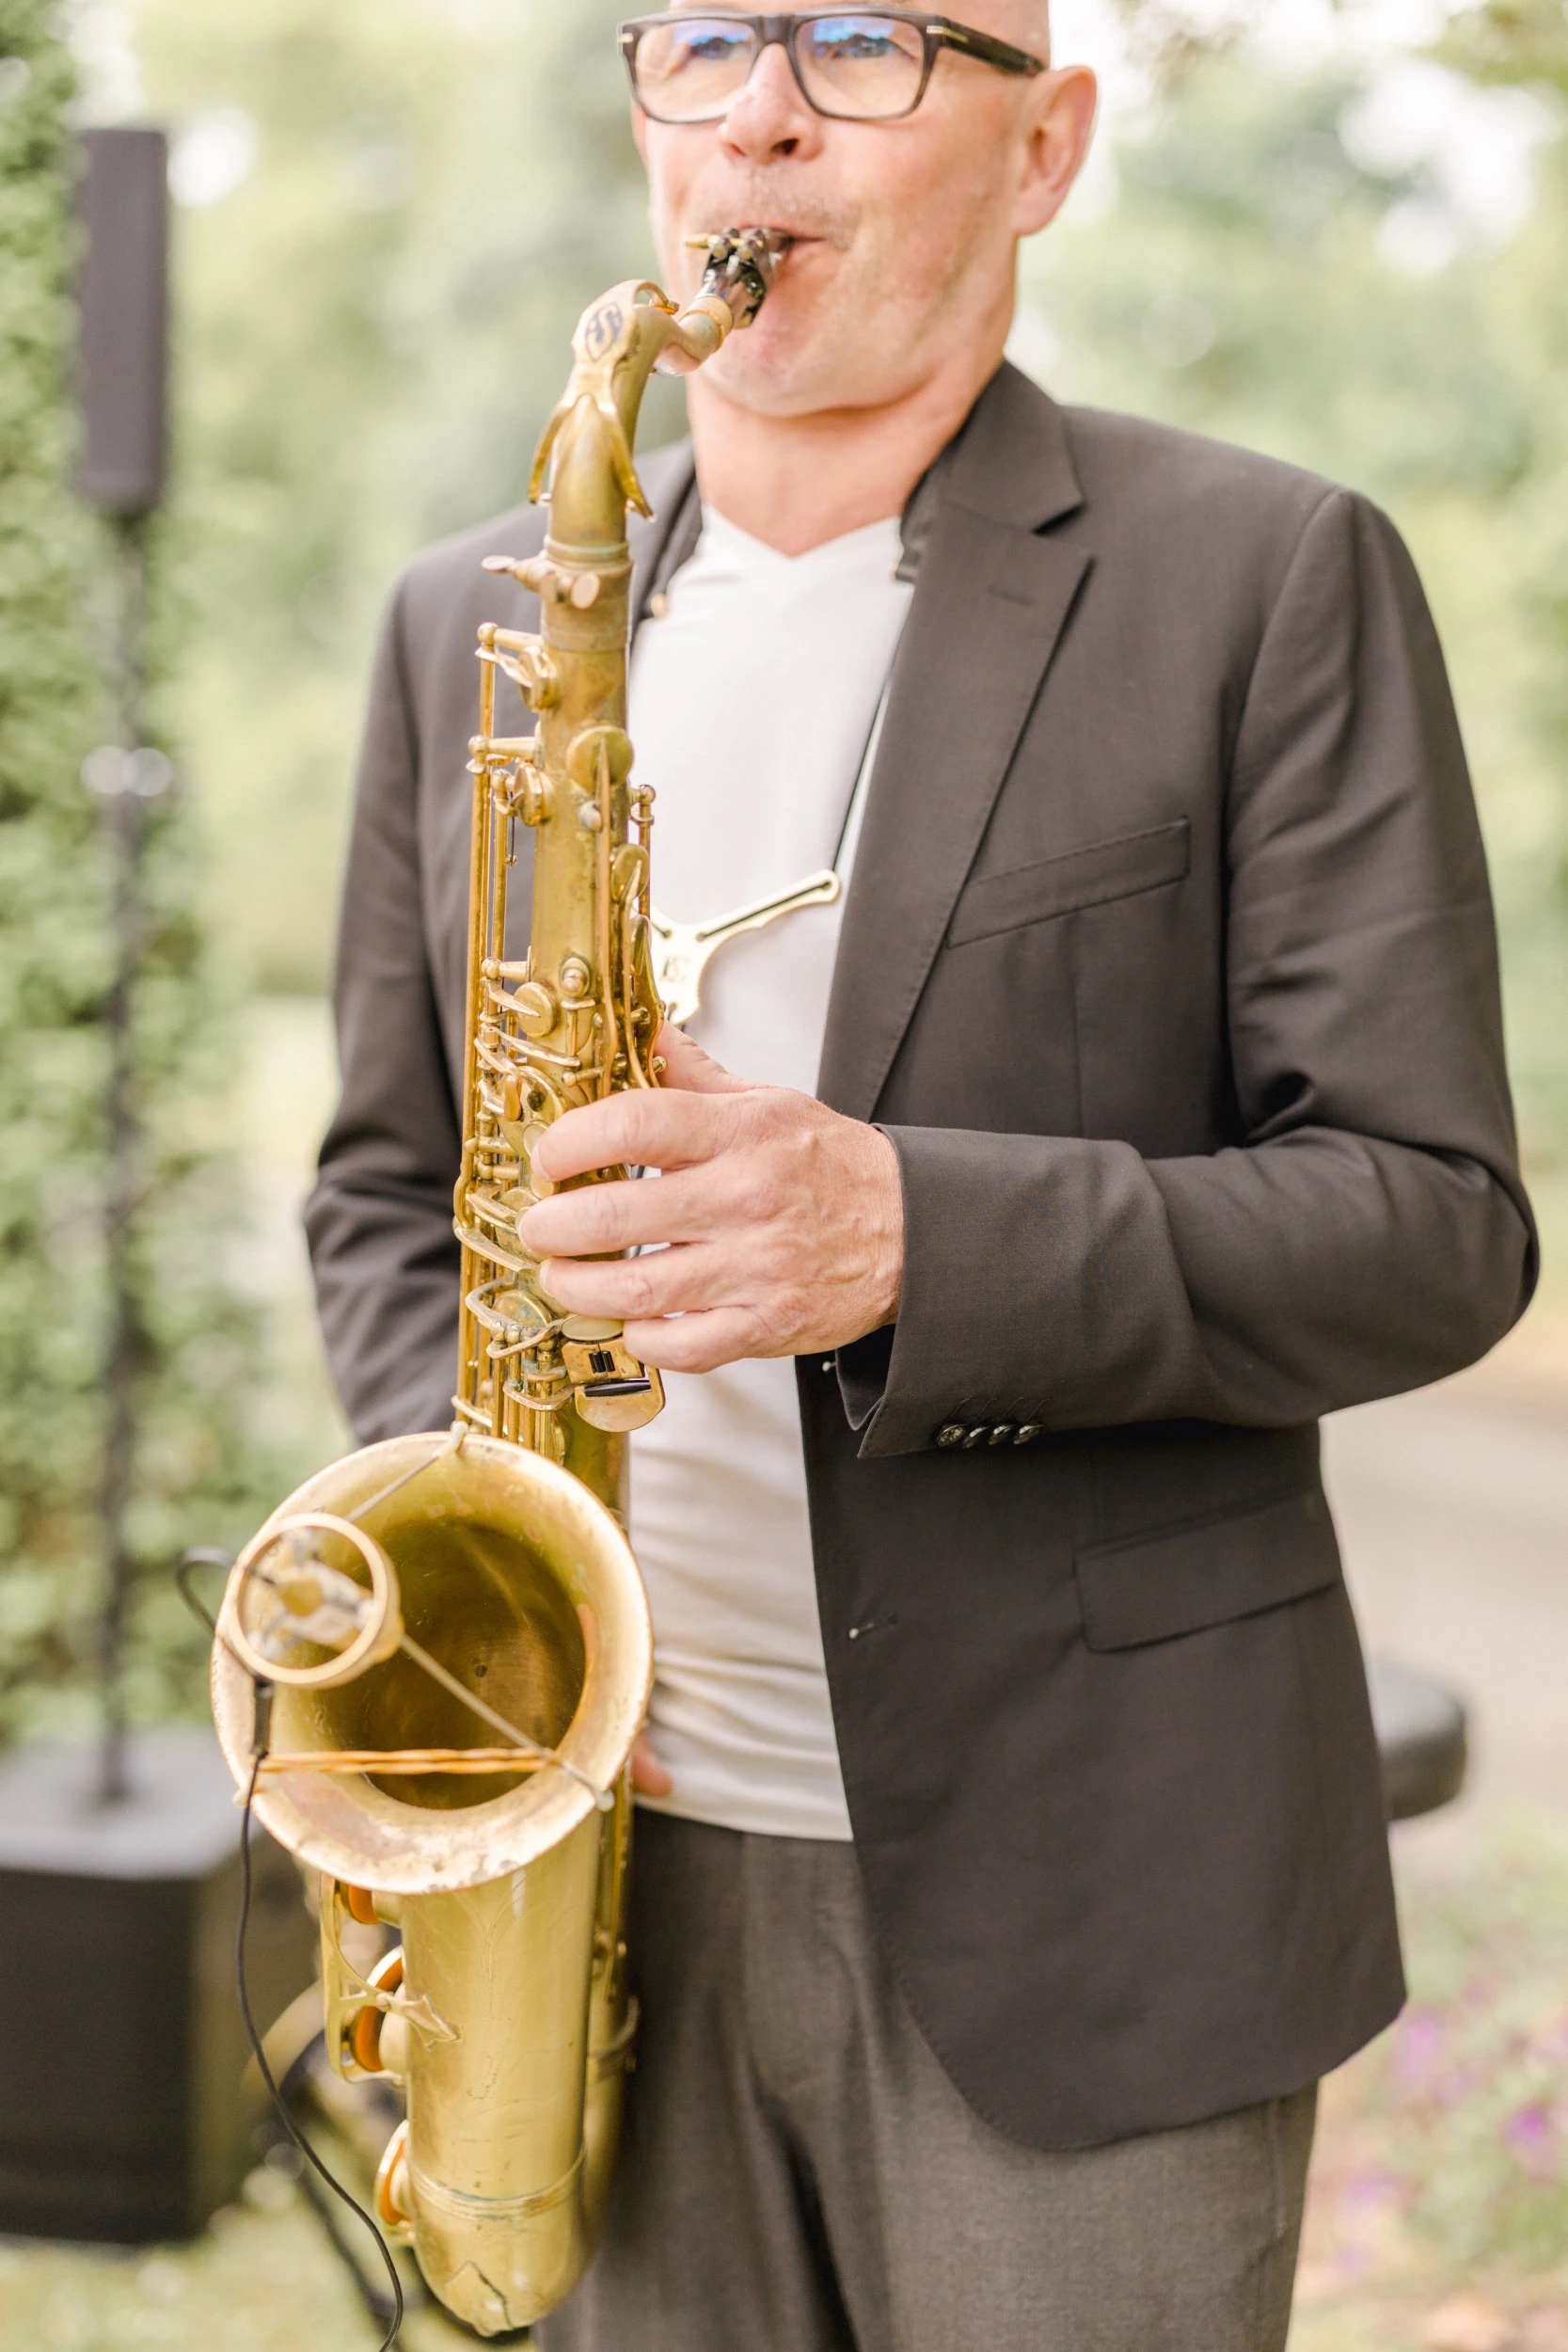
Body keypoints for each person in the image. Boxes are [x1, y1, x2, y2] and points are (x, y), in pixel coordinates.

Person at [305, 5, 1537, 2346]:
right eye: (703, 43)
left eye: (864, 41)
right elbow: (384, 1188)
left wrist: (906, 1232)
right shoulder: (456, 615)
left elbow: (1431, 1218)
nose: (763, 107)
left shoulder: (1263, 573)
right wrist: (498, 1564)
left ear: (1044, 142)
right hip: (592, 1850)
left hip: (1085, 1902)